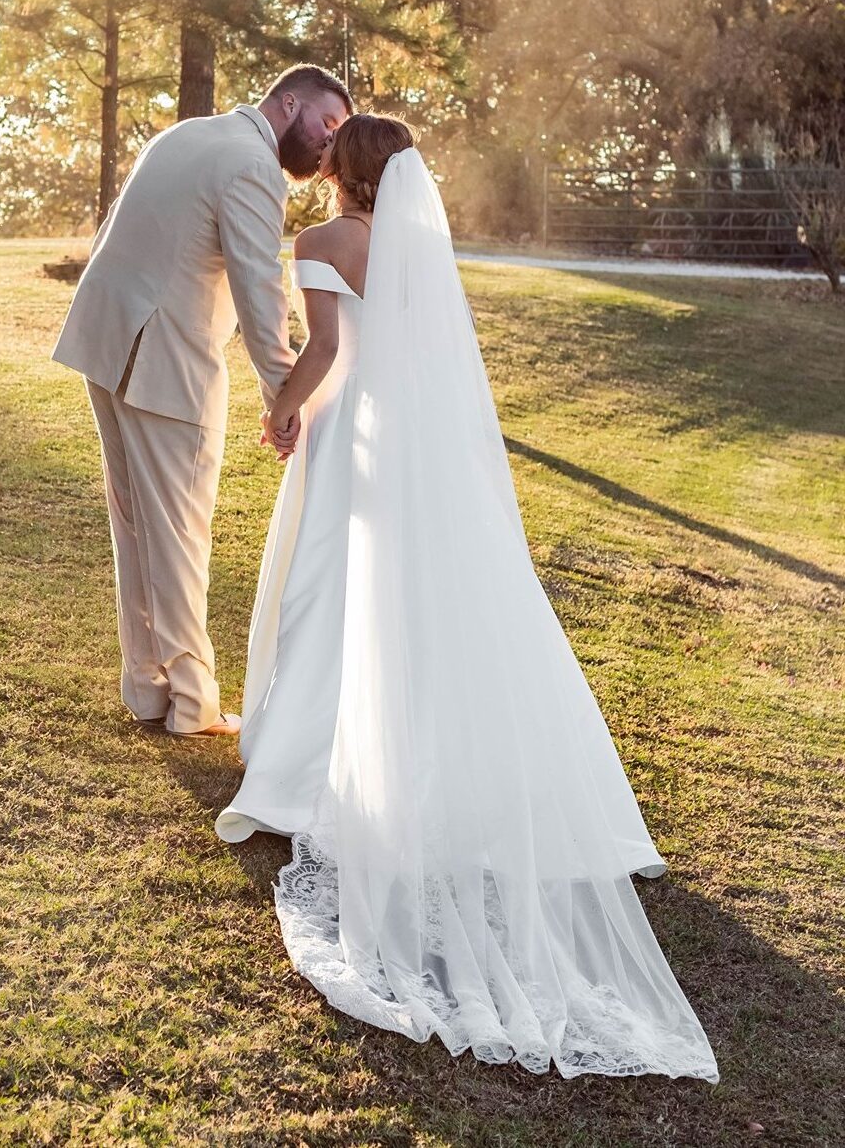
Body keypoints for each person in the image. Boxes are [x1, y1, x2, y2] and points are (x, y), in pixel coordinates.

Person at [216, 114, 719, 1081]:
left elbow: (322, 351)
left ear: (339, 170)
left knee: (333, 600)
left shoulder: (319, 243)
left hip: (357, 438)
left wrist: (284, 407)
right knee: (424, 611)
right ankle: (430, 765)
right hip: (424, 450)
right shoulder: (417, 241)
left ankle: (307, 772)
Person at [51, 65, 352, 736]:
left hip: (108, 341)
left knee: (137, 529)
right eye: (327, 124)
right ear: (291, 102)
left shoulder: (186, 135)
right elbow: (259, 291)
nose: (330, 144)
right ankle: (192, 704)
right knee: (180, 532)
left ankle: (147, 687)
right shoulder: (252, 166)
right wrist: (284, 399)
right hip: (162, 359)